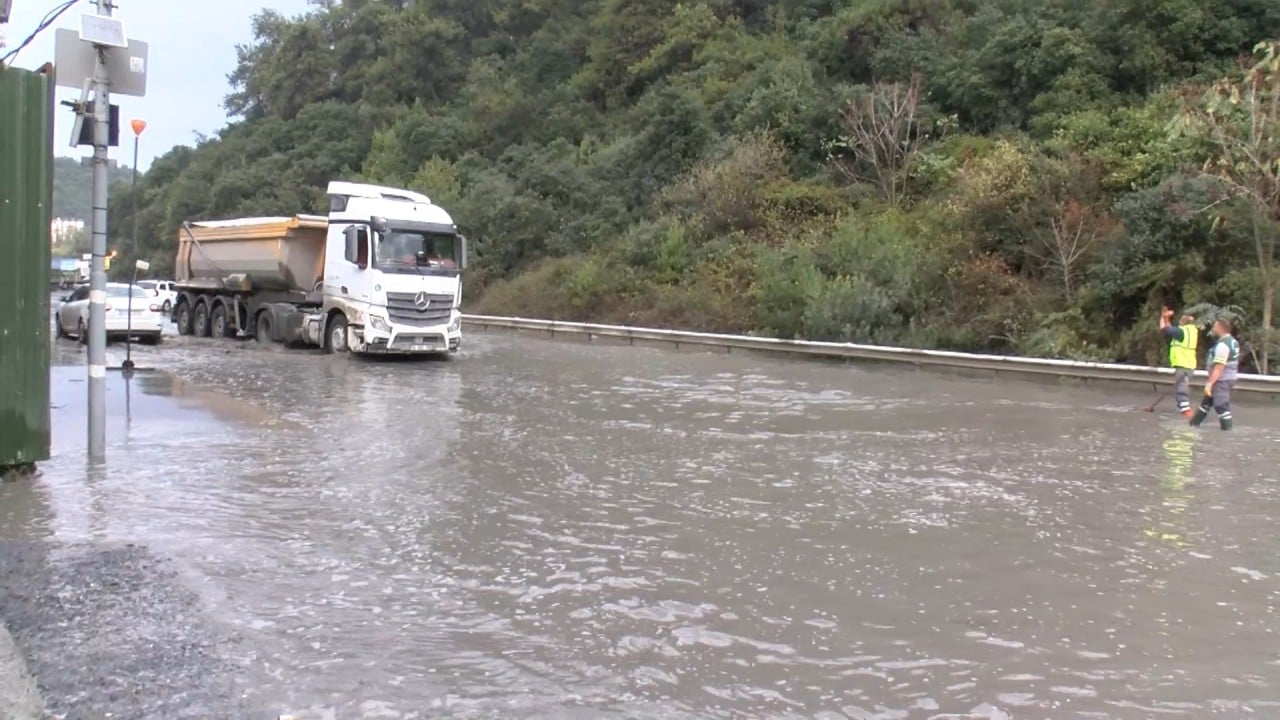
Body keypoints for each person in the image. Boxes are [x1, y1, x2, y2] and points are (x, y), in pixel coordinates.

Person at [1189, 317, 1240, 431]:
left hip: (1221, 380)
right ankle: (1193, 425)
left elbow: (1219, 367)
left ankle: (1227, 431)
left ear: (1220, 328)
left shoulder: (1223, 345)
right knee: (1205, 404)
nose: (1213, 328)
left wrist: (1210, 384)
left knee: (1221, 405)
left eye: (1215, 326)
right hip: (1226, 378)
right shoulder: (1233, 341)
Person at [1159, 307, 1199, 417]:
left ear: (1183, 322)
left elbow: (1163, 328)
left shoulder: (1182, 332)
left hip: (1182, 366)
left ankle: (1188, 417)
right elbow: (1171, 330)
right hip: (1189, 366)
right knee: (1181, 390)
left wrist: (1163, 317)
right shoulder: (1191, 331)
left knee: (1181, 392)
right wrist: (1167, 319)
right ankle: (1184, 413)